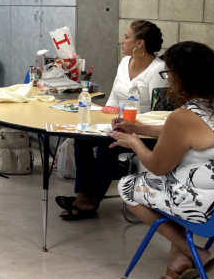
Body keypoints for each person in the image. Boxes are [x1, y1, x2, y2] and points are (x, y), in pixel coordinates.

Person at [110, 41, 214, 279]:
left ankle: (190, 250)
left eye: (168, 73)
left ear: (181, 75)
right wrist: (139, 128)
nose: (167, 79)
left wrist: (134, 142)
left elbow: (158, 166)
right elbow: (186, 133)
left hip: (207, 207)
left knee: (129, 186)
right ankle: (178, 260)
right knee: (172, 185)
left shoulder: (185, 115)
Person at [57, 20, 167, 220]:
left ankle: (93, 201)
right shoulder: (125, 62)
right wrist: (105, 115)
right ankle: (83, 195)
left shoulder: (158, 71)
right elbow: (114, 99)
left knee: (108, 143)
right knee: (81, 137)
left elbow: (158, 113)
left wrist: (129, 124)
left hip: (143, 130)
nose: (122, 41)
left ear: (140, 43)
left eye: (126, 37)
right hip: (119, 124)